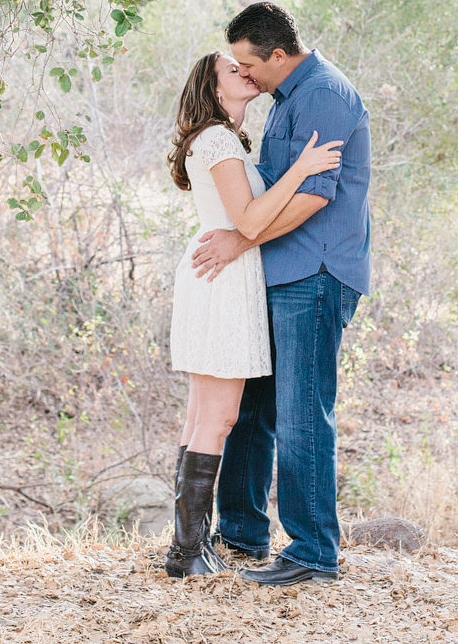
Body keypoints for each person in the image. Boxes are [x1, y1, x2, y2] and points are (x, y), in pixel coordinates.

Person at [191, 1, 371, 586]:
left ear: (276, 55)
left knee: (300, 416)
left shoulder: (323, 94)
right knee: (254, 410)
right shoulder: (287, 99)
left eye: (250, 64)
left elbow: (312, 197)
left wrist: (242, 241)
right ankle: (242, 530)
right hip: (278, 272)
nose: (246, 76)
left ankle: (313, 553)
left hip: (314, 274)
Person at [163, 50, 344, 578]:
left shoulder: (222, 140)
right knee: (218, 418)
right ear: (214, 90)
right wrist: (302, 171)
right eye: (231, 69)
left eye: (244, 65)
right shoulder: (217, 139)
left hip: (219, 276)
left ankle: (186, 548)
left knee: (203, 416)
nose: (244, 72)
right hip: (222, 280)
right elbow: (248, 217)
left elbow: (239, 217)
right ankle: (187, 551)